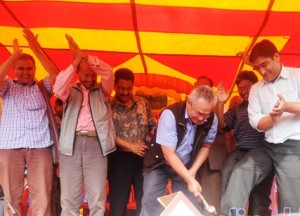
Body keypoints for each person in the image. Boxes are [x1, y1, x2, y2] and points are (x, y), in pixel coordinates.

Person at [221, 39, 300, 215]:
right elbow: (255, 121)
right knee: (240, 173)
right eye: (257, 68)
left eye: (265, 65)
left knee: (291, 197)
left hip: (294, 147)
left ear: (277, 57)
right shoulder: (256, 89)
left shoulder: (297, 76)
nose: (262, 71)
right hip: (266, 146)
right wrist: (272, 119)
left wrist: (287, 107)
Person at [53, 34, 116, 215]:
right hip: (70, 146)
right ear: (78, 74)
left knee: (97, 199)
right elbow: (57, 88)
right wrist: (75, 63)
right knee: (69, 200)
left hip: (96, 146)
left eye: (92, 75)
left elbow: (109, 72)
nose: (89, 79)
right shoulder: (69, 90)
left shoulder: (103, 91)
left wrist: (87, 58)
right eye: (85, 75)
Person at [0, 29, 59, 215]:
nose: (25, 72)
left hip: (40, 146)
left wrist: (36, 49)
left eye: (29, 68)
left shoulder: (43, 86)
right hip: (9, 146)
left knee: (42, 197)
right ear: (14, 70)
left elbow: (57, 75)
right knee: (10, 197)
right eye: (20, 68)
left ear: (34, 69)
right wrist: (13, 56)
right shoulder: (7, 86)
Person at [141, 85, 218, 216]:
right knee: (150, 200)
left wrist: (192, 172)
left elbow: (206, 146)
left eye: (206, 114)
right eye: (199, 113)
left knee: (187, 204)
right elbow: (169, 154)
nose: (201, 118)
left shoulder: (212, 119)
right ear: (189, 102)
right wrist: (190, 179)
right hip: (159, 163)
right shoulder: (170, 114)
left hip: (185, 165)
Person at [217, 71, 274, 215]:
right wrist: (220, 102)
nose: (243, 92)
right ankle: (228, 212)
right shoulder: (236, 108)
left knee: (258, 196)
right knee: (227, 173)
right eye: (240, 88)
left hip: (262, 153)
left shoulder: (265, 103)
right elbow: (223, 124)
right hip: (240, 151)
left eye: (247, 87)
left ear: (256, 86)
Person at [108, 68, 156, 216]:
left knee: (145, 201)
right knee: (118, 203)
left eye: (129, 88)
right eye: (121, 88)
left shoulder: (143, 103)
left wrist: (151, 140)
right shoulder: (107, 105)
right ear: (115, 86)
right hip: (119, 159)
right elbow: (106, 134)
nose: (125, 92)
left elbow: (153, 126)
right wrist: (131, 146)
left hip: (143, 159)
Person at [194, 76, 228, 214]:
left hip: (213, 159)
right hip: (192, 158)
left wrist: (218, 105)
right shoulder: (189, 105)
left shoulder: (220, 104)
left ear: (211, 89)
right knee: (189, 197)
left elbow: (222, 126)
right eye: (199, 86)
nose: (202, 89)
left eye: (206, 87)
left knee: (211, 200)